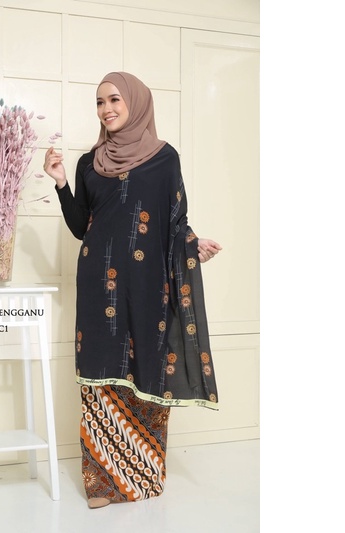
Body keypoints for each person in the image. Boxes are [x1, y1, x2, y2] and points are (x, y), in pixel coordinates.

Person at [43, 71, 222, 509]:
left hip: (146, 285)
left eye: (114, 100)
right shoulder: (90, 163)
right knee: (100, 372)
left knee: (147, 366)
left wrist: (192, 245)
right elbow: (80, 226)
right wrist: (62, 182)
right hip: (98, 285)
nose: (106, 110)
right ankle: (102, 483)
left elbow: (175, 220)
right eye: (99, 102)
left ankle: (142, 475)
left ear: (136, 102)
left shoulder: (164, 159)